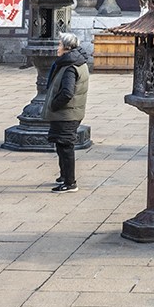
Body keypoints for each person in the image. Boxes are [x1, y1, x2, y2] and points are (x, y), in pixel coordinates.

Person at [43, 31, 89, 193]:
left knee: (65, 147)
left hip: (66, 114)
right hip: (68, 113)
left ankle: (70, 182)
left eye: (59, 45)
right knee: (61, 145)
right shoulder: (73, 62)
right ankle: (64, 176)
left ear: (67, 48)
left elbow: (67, 93)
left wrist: (54, 105)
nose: (57, 48)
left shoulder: (69, 67)